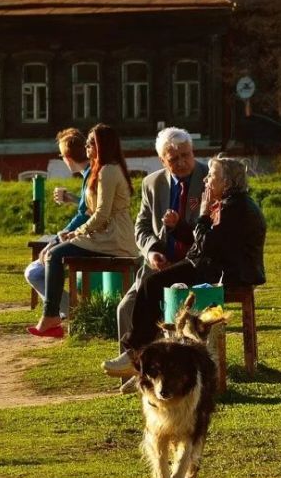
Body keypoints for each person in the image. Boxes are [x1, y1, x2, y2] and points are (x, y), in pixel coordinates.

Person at [103, 154, 266, 377]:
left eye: (212, 176)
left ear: (226, 183)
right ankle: (146, 360)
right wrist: (179, 225)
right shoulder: (232, 204)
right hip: (216, 267)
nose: (206, 180)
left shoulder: (234, 209)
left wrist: (203, 214)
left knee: (152, 284)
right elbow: (204, 243)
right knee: (156, 283)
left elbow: (206, 245)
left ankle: (137, 355)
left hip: (226, 274)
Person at [113, 127, 208, 392]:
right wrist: (152, 250)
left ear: (193, 152)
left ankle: (150, 370)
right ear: (162, 161)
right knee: (125, 308)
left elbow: (207, 230)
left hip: (191, 264)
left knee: (156, 299)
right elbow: (141, 227)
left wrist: (180, 226)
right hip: (158, 265)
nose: (181, 163)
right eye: (173, 159)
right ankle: (135, 375)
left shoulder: (208, 178)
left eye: (185, 155)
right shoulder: (152, 183)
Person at [28, 124, 138, 338]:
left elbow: (102, 214)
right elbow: (89, 209)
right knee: (54, 252)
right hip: (102, 235)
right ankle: (53, 315)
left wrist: (76, 232)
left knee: (54, 254)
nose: (86, 147)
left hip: (114, 237)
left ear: (100, 145)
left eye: (90, 143)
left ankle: (51, 316)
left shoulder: (108, 170)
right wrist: (74, 230)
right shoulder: (101, 169)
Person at [24, 128, 92, 317]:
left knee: (34, 272)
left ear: (68, 158)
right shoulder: (92, 173)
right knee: (39, 266)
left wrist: (56, 241)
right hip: (89, 235)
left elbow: (86, 215)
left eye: (61, 155)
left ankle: (72, 314)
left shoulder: (91, 176)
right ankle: (67, 312)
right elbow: (89, 208)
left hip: (90, 238)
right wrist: (72, 198)